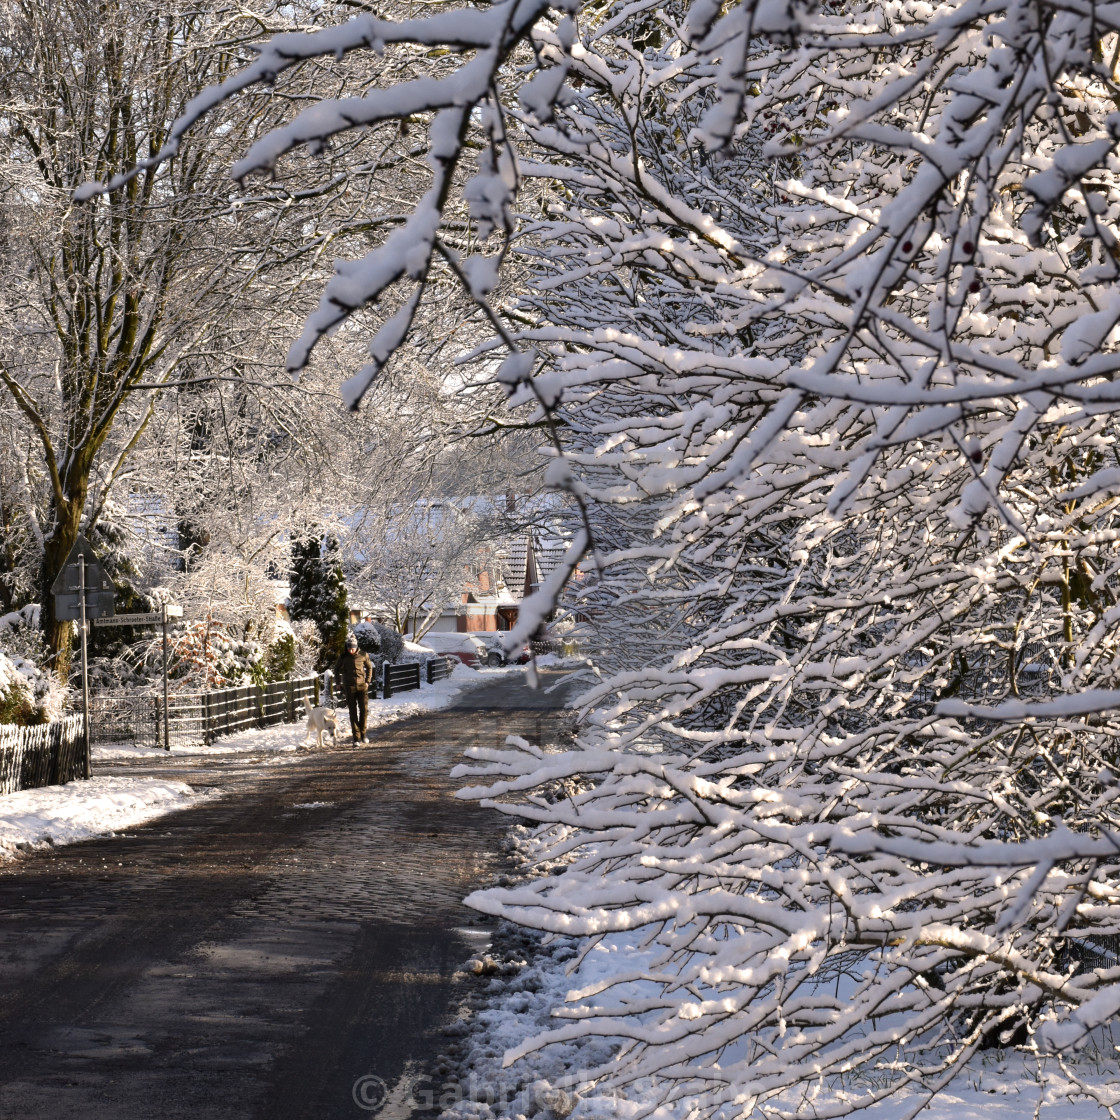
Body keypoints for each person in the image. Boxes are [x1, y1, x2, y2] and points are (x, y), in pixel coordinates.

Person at [332, 634, 373, 743]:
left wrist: (367, 682)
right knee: (353, 712)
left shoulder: (363, 655)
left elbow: (369, 667)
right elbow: (336, 669)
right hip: (349, 687)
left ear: (356, 647)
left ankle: (364, 734)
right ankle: (356, 737)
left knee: (364, 710)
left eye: (353, 648)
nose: (351, 650)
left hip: (362, 686)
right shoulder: (343, 656)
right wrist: (338, 683)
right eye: (349, 648)